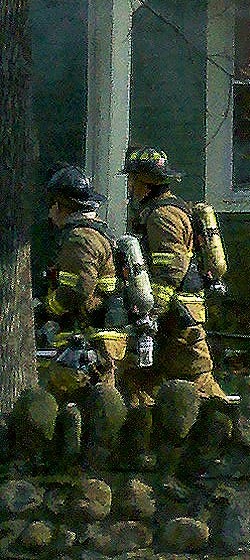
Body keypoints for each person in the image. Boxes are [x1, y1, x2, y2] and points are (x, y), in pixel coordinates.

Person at [122, 146, 228, 418]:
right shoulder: (157, 211)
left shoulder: (163, 216)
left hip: (179, 315)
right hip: (171, 314)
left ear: (146, 183)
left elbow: (171, 268)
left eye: (132, 180)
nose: (130, 187)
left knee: (198, 381)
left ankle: (230, 425)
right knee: (140, 381)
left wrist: (152, 312)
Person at [33, 166, 127, 470]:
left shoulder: (79, 237)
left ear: (60, 205)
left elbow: (77, 290)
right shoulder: (100, 232)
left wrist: (45, 309)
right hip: (100, 336)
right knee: (97, 405)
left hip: (90, 338)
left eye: (52, 206)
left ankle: (78, 470)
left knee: (64, 398)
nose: (50, 214)